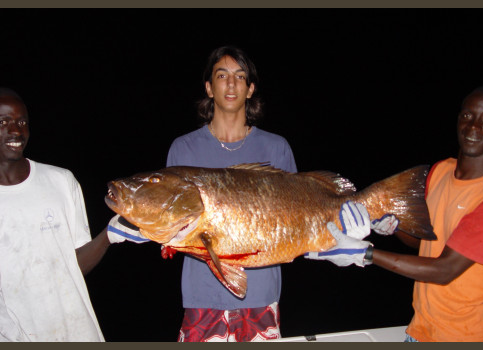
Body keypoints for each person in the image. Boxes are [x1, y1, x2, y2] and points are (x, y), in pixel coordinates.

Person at [306, 85, 483, 342]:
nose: (473, 127)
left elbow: (445, 269)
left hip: (467, 337)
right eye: (467, 115)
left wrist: (365, 253)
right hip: (420, 330)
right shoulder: (441, 171)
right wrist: (395, 227)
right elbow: (425, 242)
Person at [160, 46, 297, 342]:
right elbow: (172, 221)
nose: (231, 84)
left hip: (261, 297)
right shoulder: (183, 149)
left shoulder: (277, 148)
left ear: (250, 90)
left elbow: (295, 220)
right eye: (222, 75)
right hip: (202, 299)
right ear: (209, 88)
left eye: (240, 76)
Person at [0, 87, 143, 342]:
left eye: (22, 122)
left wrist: (109, 235)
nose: (15, 130)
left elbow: (73, 265)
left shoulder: (61, 181)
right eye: (4, 121)